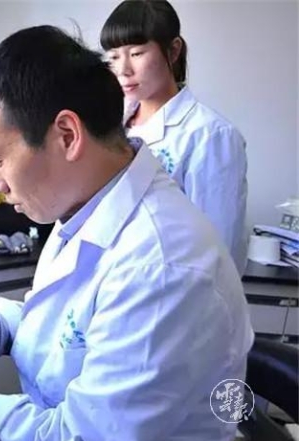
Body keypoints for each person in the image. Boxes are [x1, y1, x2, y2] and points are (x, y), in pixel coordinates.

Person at [0, 25, 253, 441]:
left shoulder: (160, 268)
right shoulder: (87, 205)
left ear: (67, 135)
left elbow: (79, 440)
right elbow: (66, 328)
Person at [100, 0, 249, 275]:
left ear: (174, 50)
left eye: (136, 53)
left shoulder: (210, 135)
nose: (123, 70)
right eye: (113, 57)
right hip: (116, 278)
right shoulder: (112, 124)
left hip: (175, 289)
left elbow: (218, 250)